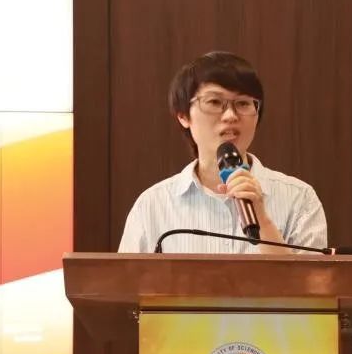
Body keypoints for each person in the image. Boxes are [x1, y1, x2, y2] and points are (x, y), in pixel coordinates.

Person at [118, 51, 327, 254]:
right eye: (215, 102)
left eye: (243, 103)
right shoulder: (152, 205)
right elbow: (126, 278)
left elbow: (309, 279)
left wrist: (262, 221)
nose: (230, 116)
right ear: (183, 116)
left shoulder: (299, 199)